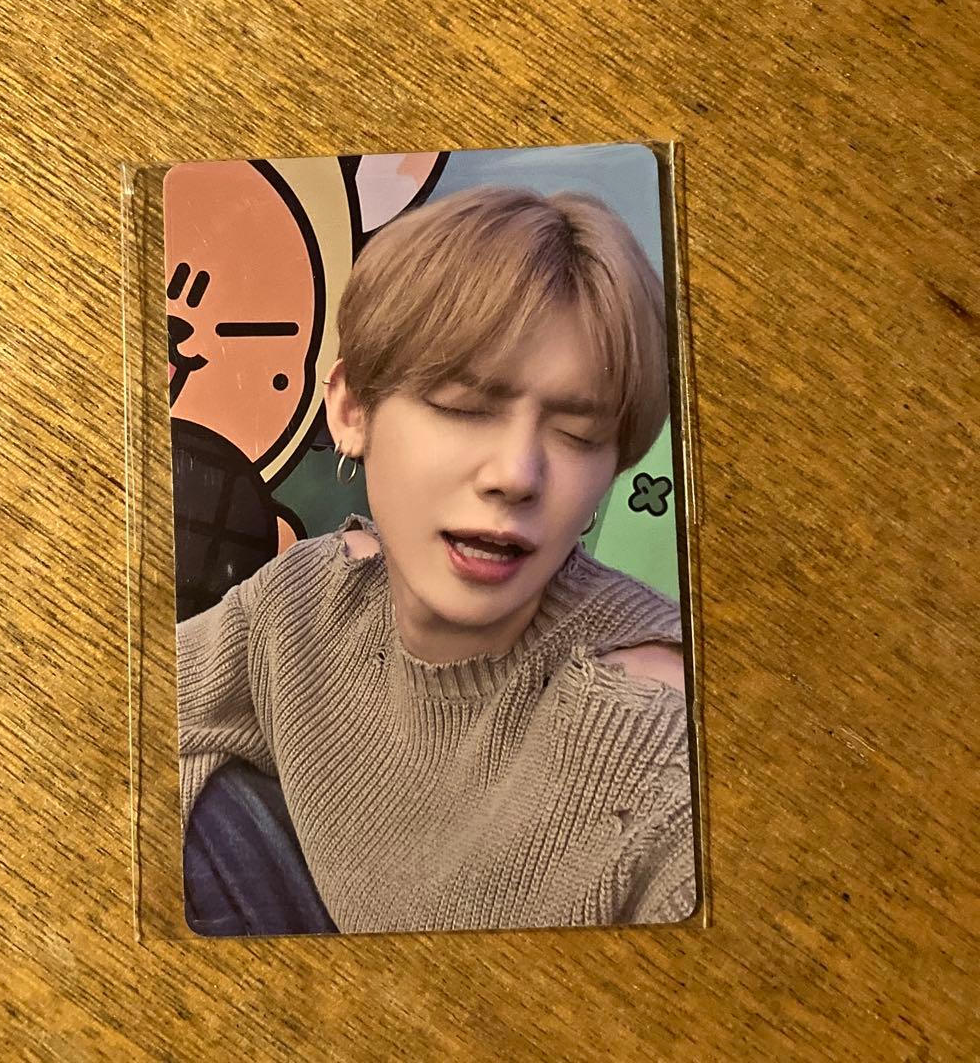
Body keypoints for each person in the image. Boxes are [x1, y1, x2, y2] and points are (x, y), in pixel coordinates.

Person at [177, 185, 696, 934]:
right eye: (464, 407)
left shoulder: (651, 731)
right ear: (353, 410)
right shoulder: (307, 598)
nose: (516, 474)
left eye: (579, 435)